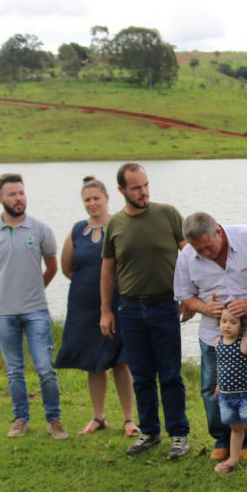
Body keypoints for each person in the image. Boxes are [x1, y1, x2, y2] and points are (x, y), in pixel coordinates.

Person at [98, 163, 191, 457]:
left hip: (165, 306)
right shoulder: (115, 224)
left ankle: (178, 434)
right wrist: (105, 311)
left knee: (170, 374)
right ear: (122, 190)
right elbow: (107, 269)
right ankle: (149, 432)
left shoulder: (168, 214)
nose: (143, 192)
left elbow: (190, 256)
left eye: (146, 185)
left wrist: (190, 296)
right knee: (141, 375)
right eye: (136, 187)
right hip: (129, 309)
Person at [176, 212, 247, 461]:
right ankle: (223, 438)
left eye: (207, 246)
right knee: (212, 387)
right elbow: (184, 294)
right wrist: (204, 308)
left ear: (219, 232)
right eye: (197, 249)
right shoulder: (187, 257)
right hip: (214, 335)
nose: (204, 253)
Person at [0, 173, 64, 438]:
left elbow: (52, 267)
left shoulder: (41, 230)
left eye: (21, 193)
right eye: (12, 194)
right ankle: (20, 419)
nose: (18, 199)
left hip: (36, 311)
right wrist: (7, 292)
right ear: (0, 198)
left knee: (45, 368)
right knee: (15, 370)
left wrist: (34, 290)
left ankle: (54, 419)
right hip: (3, 313)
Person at [57, 176, 137, 438]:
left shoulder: (120, 225)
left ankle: (129, 419)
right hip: (83, 306)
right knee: (93, 363)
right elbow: (68, 268)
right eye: (87, 200)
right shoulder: (77, 230)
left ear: (107, 199)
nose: (92, 204)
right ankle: (98, 416)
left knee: (121, 362)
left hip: (118, 304)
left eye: (96, 199)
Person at [209, 307, 247, 475]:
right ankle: (232, 459)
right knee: (235, 428)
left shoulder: (245, 343)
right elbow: (221, 366)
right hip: (226, 397)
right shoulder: (217, 342)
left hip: (245, 396)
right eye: (224, 321)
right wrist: (219, 385)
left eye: (233, 322)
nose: (227, 325)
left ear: (242, 325)